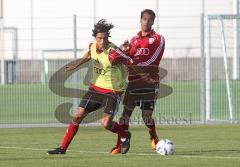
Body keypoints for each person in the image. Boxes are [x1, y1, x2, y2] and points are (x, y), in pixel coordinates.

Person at [47, 19, 142, 155]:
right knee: (78, 115)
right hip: (96, 88)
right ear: (95, 38)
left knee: (105, 123)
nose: (102, 41)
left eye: (105, 38)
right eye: (99, 38)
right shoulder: (92, 46)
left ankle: (125, 134)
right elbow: (89, 54)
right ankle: (62, 148)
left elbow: (130, 61)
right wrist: (76, 65)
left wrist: (138, 73)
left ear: (108, 37)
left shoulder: (113, 52)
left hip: (112, 92)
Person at [110, 9, 165, 154]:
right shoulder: (134, 40)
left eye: (149, 20)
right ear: (140, 20)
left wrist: (133, 64)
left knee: (146, 116)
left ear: (153, 22)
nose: (146, 22)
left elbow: (154, 60)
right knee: (124, 116)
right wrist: (125, 51)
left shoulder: (158, 39)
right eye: (144, 19)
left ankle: (153, 136)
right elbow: (127, 58)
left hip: (149, 82)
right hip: (133, 82)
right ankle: (120, 145)